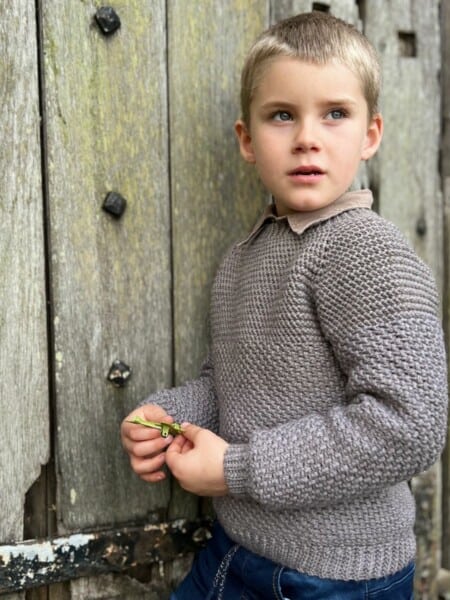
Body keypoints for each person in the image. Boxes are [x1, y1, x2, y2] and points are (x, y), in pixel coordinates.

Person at [121, 11, 448, 600]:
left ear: (370, 134)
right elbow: (234, 389)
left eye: (335, 114)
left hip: (337, 576)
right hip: (236, 551)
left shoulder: (364, 250)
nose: (307, 137)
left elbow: (411, 424)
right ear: (247, 139)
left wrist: (233, 470)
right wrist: (165, 417)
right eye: (281, 115)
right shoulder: (245, 257)